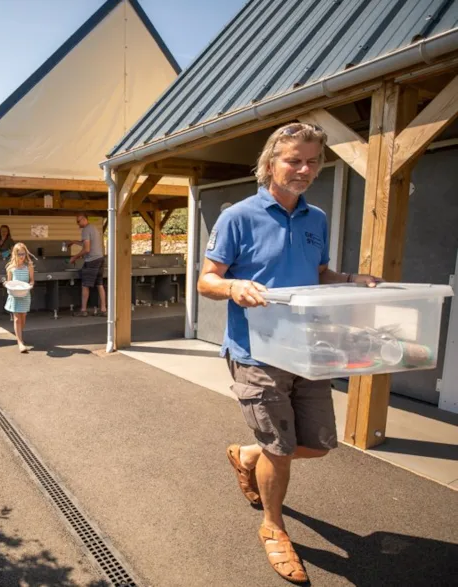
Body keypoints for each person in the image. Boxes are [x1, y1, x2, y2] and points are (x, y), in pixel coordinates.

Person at [197, 122, 381, 584]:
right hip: (256, 352)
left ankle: (247, 455)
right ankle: (273, 527)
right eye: (294, 160)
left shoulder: (316, 218)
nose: (304, 169)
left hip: (306, 349)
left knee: (317, 446)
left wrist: (350, 279)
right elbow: (207, 280)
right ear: (270, 162)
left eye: (312, 161)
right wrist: (234, 286)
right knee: (279, 450)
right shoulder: (238, 216)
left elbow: (317, 273)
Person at [69, 213, 106, 317]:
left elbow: (87, 249)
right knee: (100, 284)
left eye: (78, 221)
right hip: (100, 259)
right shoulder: (93, 228)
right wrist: (74, 242)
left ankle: (83, 310)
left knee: (85, 285)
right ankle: (103, 309)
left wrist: (74, 257)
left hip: (91, 260)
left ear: (85, 219)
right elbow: (86, 243)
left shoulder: (85, 230)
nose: (78, 224)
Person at [4, 242, 35, 353]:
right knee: (17, 318)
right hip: (15, 295)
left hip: (25, 294)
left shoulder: (29, 266)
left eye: (23, 253)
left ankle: (19, 335)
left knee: (23, 317)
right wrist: (6, 284)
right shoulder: (11, 268)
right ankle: (20, 342)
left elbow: (31, 280)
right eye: (19, 254)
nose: (22, 256)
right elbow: (9, 281)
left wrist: (31, 285)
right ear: (15, 254)